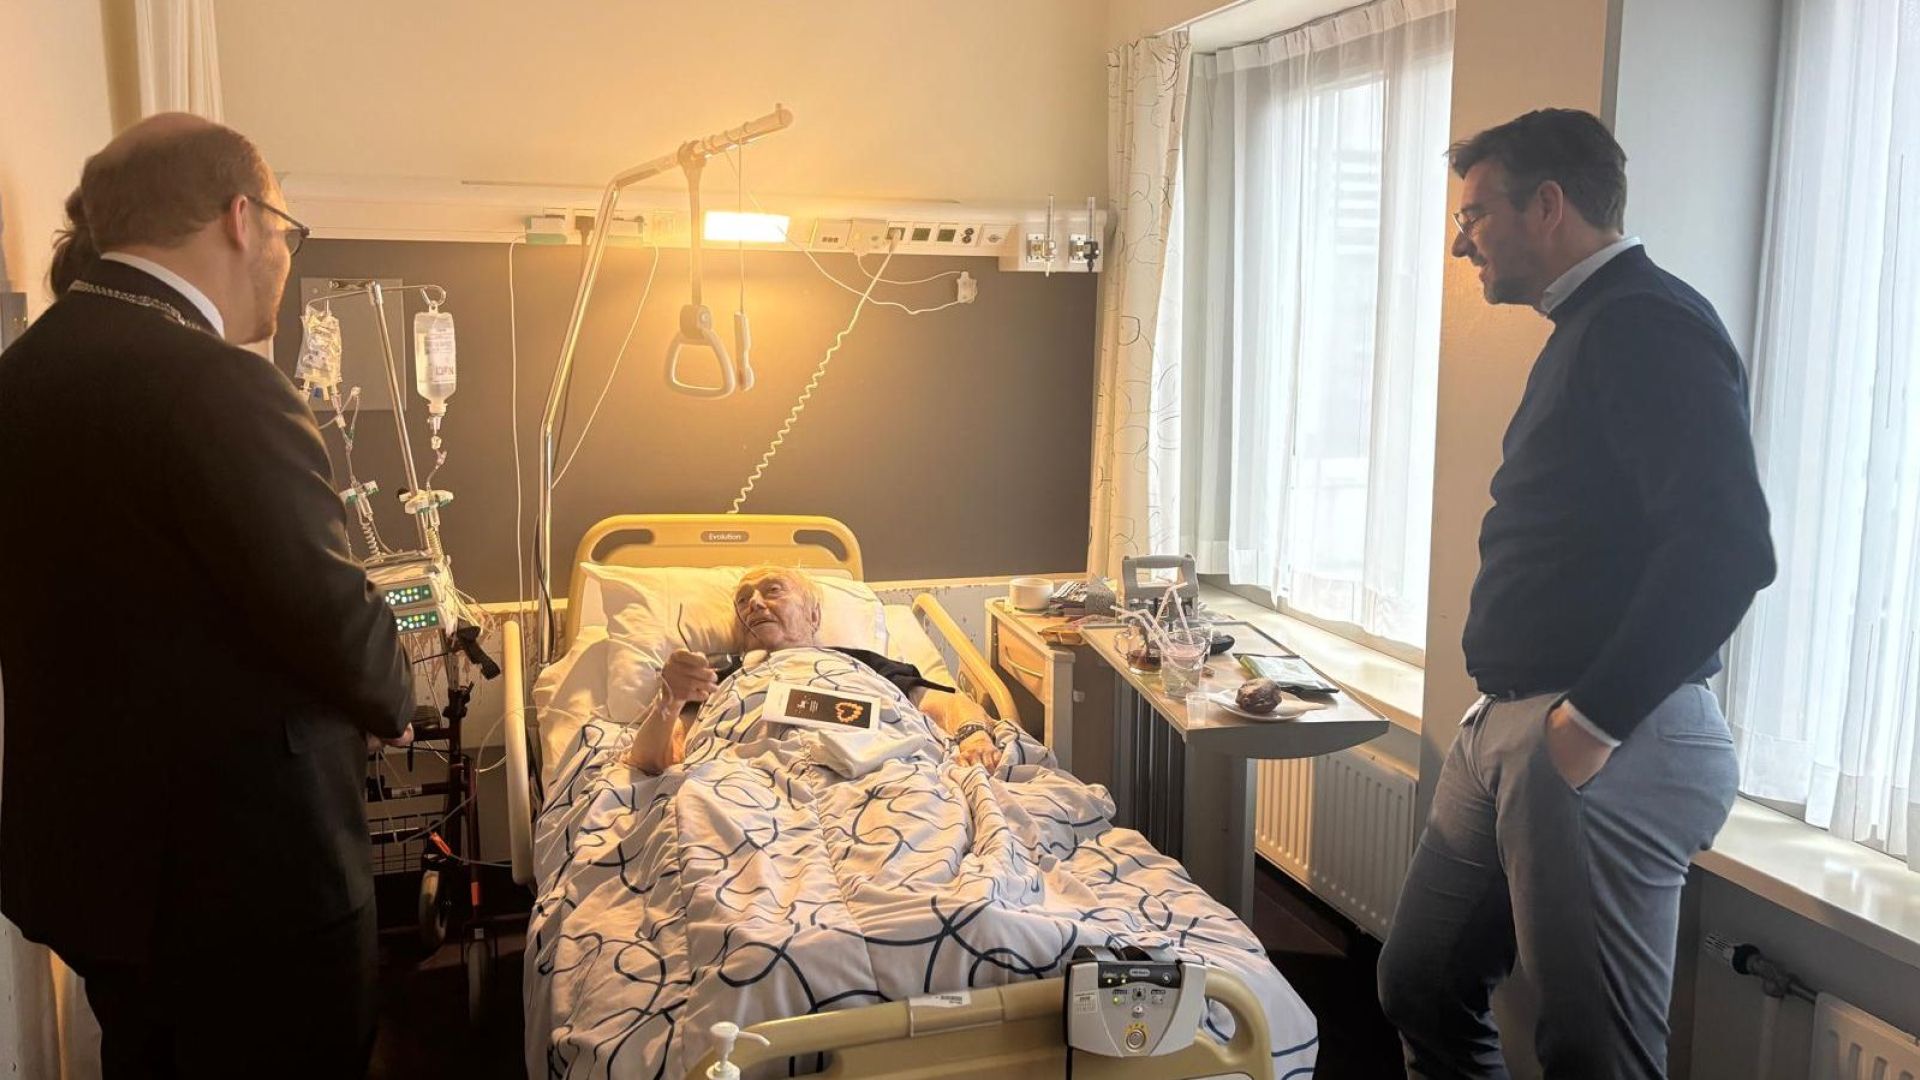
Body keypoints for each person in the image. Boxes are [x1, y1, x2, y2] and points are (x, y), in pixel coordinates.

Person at [0, 114, 414, 1077]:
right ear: (241, 217)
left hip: (94, 874)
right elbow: (345, 633)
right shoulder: (219, 384)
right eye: (285, 232)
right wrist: (399, 687)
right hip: (252, 892)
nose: (282, 256)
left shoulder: (20, 378)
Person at [1376, 109, 1776, 1078]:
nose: (1461, 238)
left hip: (1604, 736)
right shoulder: (1591, 328)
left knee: (1593, 1055)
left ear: (1548, 205)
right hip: (1512, 725)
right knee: (1421, 980)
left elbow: (1727, 548)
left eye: (1475, 212)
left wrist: (1587, 725)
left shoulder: (1645, 324)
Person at [623, 566, 1012, 775]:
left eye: (772, 591)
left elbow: (947, 703)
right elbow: (653, 761)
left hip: (882, 769)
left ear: (813, 614)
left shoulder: (862, 662)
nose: (754, 604)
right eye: (744, 600)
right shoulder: (714, 678)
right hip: (751, 786)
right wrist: (668, 700)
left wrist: (974, 737)